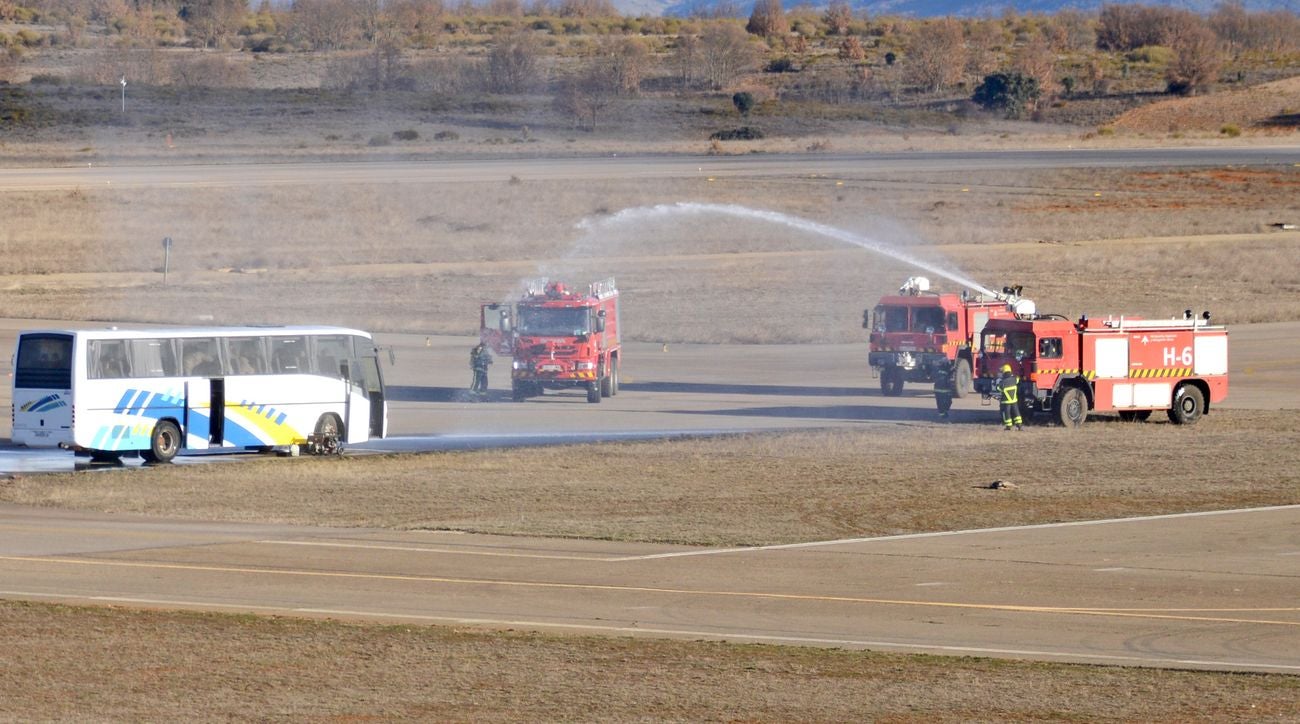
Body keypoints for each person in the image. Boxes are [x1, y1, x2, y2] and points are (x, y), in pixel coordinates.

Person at [994, 363, 1023, 430]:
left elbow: (998, 389)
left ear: (1004, 372)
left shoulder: (1003, 382)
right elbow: (1018, 380)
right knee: (1016, 412)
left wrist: (997, 382)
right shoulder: (1014, 379)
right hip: (1014, 400)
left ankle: (1008, 426)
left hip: (1006, 402)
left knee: (1007, 413)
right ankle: (1019, 425)